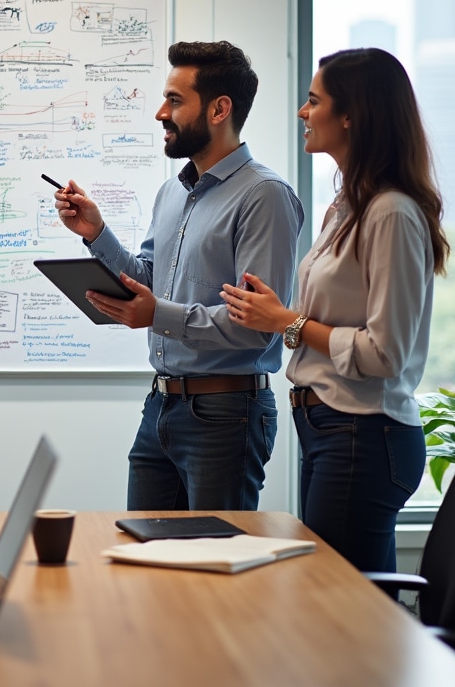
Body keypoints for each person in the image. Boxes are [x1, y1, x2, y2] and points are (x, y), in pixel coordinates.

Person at [221, 48, 448, 571]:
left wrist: (288, 322)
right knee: (354, 606)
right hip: (332, 430)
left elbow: (386, 353)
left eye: (313, 100)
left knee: (339, 606)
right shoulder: (347, 205)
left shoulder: (390, 213)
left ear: (352, 116)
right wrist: (279, 314)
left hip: (362, 435)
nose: (302, 112)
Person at [55, 41, 304, 510]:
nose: (159, 113)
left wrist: (158, 315)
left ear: (219, 109)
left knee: (213, 569)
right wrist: (96, 233)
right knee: (145, 558)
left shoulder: (264, 196)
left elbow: (256, 328)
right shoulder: (173, 192)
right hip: (161, 406)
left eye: (173, 100)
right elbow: (147, 281)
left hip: (226, 414)